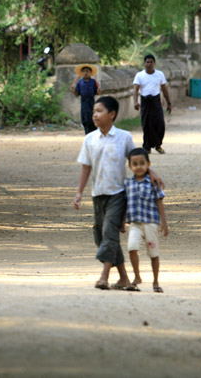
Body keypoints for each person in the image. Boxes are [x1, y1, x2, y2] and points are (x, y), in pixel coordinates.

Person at [73, 96, 163, 291]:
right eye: (94, 111)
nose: (94, 114)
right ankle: (123, 277)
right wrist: (79, 192)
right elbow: (86, 167)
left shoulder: (124, 137)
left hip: (118, 194)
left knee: (109, 232)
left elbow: (138, 159)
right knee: (100, 234)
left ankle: (104, 276)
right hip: (98, 194)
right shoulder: (89, 139)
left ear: (112, 114)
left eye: (99, 111)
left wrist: (152, 172)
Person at [125, 147, 169, 293]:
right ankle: (137, 277)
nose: (138, 167)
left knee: (153, 253)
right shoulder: (128, 183)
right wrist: (121, 222)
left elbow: (159, 202)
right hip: (135, 224)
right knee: (132, 247)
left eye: (142, 163)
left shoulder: (153, 182)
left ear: (148, 164)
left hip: (151, 223)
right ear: (130, 166)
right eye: (135, 164)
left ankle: (156, 282)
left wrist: (164, 223)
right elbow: (125, 203)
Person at [132, 54, 172, 154]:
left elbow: (164, 89)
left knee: (160, 124)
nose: (149, 64)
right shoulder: (140, 75)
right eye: (147, 62)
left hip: (156, 101)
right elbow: (136, 89)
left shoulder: (160, 74)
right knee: (146, 124)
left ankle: (158, 145)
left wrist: (169, 103)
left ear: (154, 64)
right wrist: (136, 102)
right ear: (144, 64)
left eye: (151, 62)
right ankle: (147, 146)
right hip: (145, 101)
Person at [72, 64, 101, 134]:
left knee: (93, 119)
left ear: (90, 73)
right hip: (84, 103)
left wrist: (99, 91)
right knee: (85, 119)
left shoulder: (93, 82)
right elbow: (77, 94)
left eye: (87, 71)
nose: (85, 73)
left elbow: (97, 93)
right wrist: (73, 91)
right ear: (82, 73)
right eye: (84, 71)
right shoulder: (80, 82)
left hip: (91, 103)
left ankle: (94, 134)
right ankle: (87, 134)